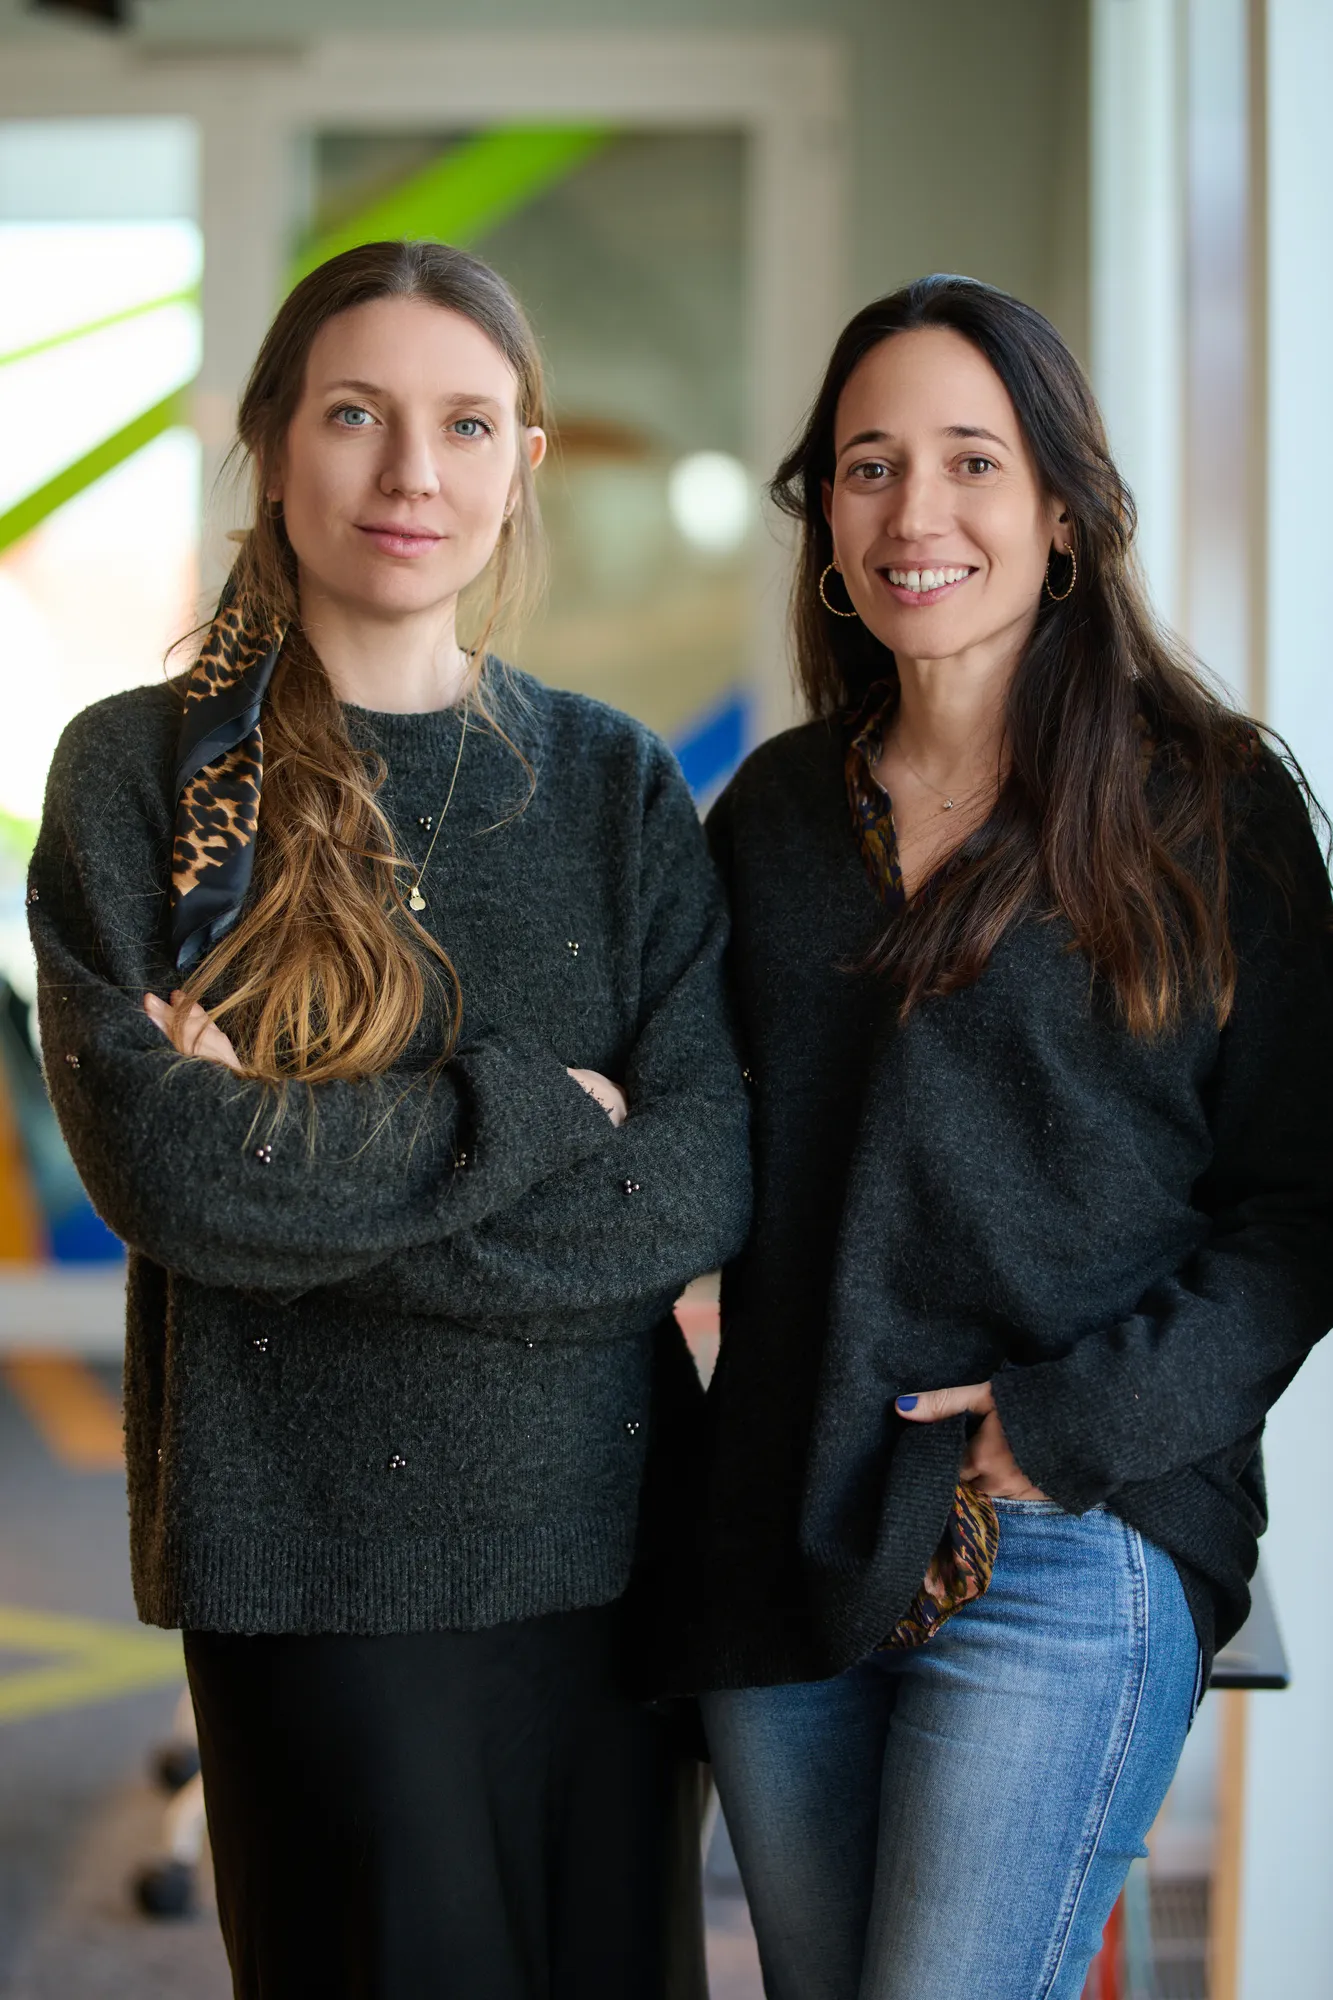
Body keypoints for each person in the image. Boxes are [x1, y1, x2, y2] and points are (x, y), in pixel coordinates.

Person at [27, 238, 750, 2000]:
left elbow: (698, 1176)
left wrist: (321, 1171)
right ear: (276, 447)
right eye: (357, 415)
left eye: (467, 424)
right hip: (312, 1565)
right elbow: (179, 1177)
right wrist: (536, 1113)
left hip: (607, 1563)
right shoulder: (146, 776)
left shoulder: (610, 782)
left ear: (519, 467)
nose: (413, 472)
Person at [693, 274, 1333, 2000]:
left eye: (973, 461)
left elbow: (1304, 1206)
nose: (918, 512)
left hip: (1072, 1528)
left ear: (1062, 511)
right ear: (823, 518)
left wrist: (1065, 1428)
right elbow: (689, 1129)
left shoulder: (1211, 804)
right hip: (787, 1530)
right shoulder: (767, 817)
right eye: (869, 464)